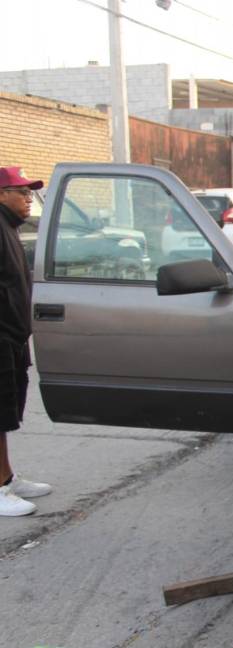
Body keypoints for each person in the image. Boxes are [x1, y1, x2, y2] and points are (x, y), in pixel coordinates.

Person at [0, 167, 53, 516]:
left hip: (12, 337)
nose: (28, 199)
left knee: (4, 414)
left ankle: (6, 477)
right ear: (2, 194)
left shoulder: (9, 229)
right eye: (21, 192)